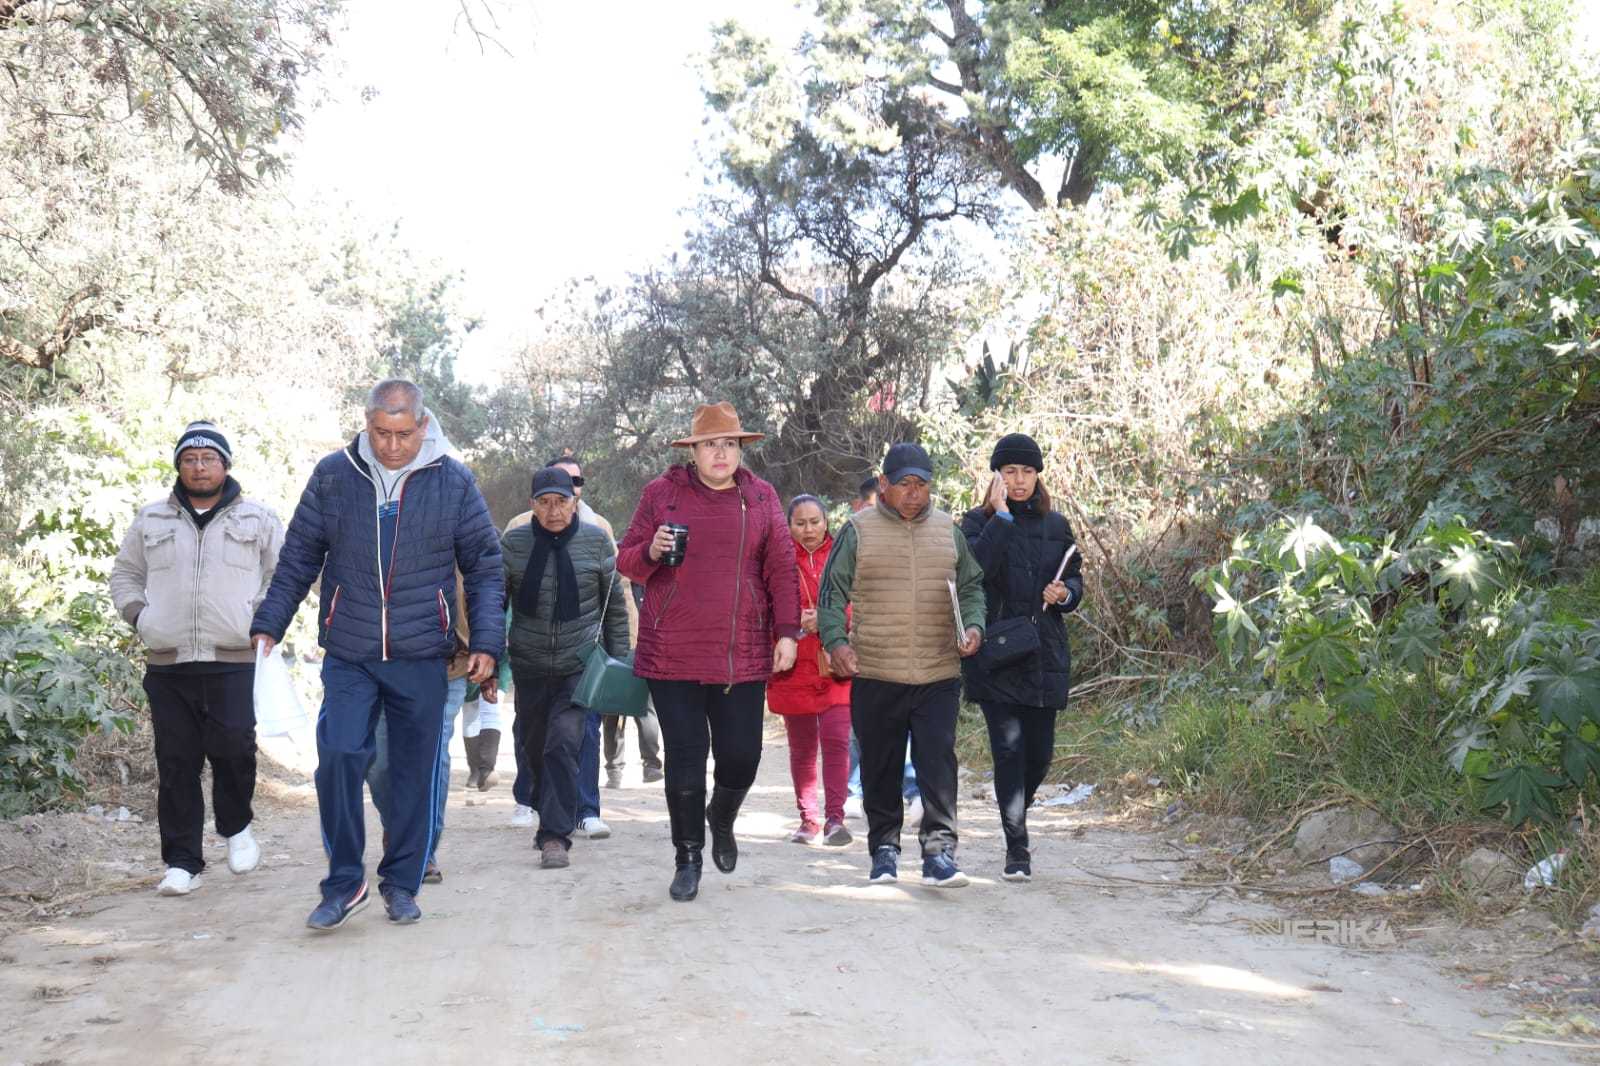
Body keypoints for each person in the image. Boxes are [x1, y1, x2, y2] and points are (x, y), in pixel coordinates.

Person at [250, 380, 504, 932]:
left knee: (413, 773)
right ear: (367, 423)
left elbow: (485, 564)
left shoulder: (454, 481)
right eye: (381, 433)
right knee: (340, 755)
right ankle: (345, 881)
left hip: (421, 654)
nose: (392, 446)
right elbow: (298, 556)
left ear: (423, 426)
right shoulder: (334, 475)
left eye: (403, 434)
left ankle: (402, 883)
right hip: (351, 650)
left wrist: (486, 641)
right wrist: (270, 623)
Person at [617, 401, 801, 902]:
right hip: (672, 652)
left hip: (740, 653)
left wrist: (787, 631)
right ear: (693, 451)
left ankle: (721, 816)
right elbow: (628, 560)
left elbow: (782, 568)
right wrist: (651, 550)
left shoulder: (761, 497)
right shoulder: (662, 494)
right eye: (710, 445)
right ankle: (688, 857)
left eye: (729, 444)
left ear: (741, 449)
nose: (721, 453)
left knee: (742, 756)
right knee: (684, 759)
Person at [110, 422, 284, 897]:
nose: (199, 466)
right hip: (168, 662)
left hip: (234, 657)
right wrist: (140, 616)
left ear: (225, 465)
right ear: (179, 466)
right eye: (190, 459)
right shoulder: (152, 520)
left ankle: (236, 826)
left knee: (234, 750)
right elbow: (125, 573)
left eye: (209, 459)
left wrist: (262, 618)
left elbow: (283, 575)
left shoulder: (258, 518)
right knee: (177, 761)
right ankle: (182, 862)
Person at [817, 442, 986, 888]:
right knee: (881, 767)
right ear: (885, 485)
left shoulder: (949, 530)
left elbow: (972, 589)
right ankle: (885, 851)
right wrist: (835, 641)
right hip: (876, 671)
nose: (914, 494)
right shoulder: (858, 530)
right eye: (905, 484)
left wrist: (974, 627)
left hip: (938, 672)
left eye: (922, 485)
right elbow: (831, 594)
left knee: (937, 768)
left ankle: (939, 855)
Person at [961, 433, 1084, 882]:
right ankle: (1018, 846)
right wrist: (1003, 520)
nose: (1018, 480)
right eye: (1009, 471)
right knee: (1008, 753)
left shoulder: (1057, 526)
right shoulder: (976, 523)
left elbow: (1076, 580)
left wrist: (1066, 593)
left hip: (1044, 653)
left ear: (1038, 476)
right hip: (996, 655)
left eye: (1026, 471)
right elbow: (972, 572)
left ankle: (1017, 812)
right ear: (995, 476)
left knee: (1040, 756)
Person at [504, 454, 641, 834]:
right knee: (533, 747)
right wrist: (490, 656)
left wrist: (617, 665)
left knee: (564, 742)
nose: (553, 510)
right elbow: (494, 603)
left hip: (578, 664)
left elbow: (614, 608)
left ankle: (556, 834)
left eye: (561, 501)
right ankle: (540, 805)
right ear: (532, 504)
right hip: (529, 665)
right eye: (544, 502)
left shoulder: (597, 540)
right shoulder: (513, 543)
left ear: (575, 502)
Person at [365, 575, 497, 883]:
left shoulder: (462, 531)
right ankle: (399, 827)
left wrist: (490, 658)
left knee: (432, 756)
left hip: (448, 665)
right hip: (381, 663)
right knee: (378, 763)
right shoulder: (376, 529)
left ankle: (421, 850)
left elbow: (485, 599)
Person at [768, 495, 853, 846]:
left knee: (836, 739)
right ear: (789, 526)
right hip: (794, 661)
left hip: (835, 658)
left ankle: (836, 819)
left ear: (827, 521)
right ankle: (809, 820)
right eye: (800, 523)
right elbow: (765, 600)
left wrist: (829, 617)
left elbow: (860, 597)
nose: (809, 530)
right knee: (802, 746)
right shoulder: (778, 557)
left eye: (815, 521)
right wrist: (788, 621)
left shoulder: (843, 553)